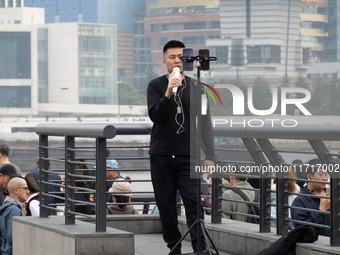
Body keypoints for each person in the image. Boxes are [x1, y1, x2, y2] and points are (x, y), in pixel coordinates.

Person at [147, 40, 215, 254]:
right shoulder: (156, 85)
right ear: (164, 61)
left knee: (194, 203)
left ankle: (200, 248)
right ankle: (174, 247)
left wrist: (210, 155)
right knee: (166, 206)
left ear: (188, 60)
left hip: (189, 155)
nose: (177, 61)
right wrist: (168, 92)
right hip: (161, 155)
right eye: (172, 57)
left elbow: (205, 122)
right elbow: (155, 116)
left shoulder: (198, 88)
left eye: (181, 57)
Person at [291, 158, 330, 236]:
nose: (325, 178)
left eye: (326, 174)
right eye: (321, 174)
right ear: (309, 176)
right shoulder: (300, 201)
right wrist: (321, 210)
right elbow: (303, 230)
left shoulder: (333, 195)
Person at [0, 177, 28, 255]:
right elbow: (14, 236)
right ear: (16, 190)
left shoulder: (7, 206)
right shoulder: (14, 210)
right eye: (25, 188)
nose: (28, 192)